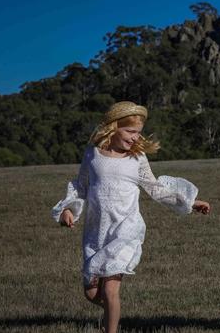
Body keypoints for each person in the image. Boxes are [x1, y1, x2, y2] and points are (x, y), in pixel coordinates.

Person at [51, 101, 211, 333]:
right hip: (96, 232)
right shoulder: (92, 154)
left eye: (139, 133)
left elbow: (156, 189)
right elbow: (80, 187)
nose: (136, 137)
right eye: (131, 131)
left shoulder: (137, 159)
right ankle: (111, 314)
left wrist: (190, 202)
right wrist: (68, 210)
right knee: (92, 292)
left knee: (110, 291)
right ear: (113, 128)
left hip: (125, 230)